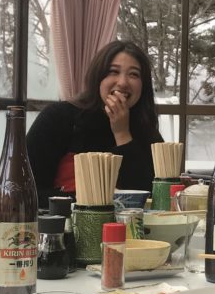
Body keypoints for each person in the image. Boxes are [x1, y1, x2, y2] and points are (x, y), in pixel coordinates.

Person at [26, 40, 162, 206]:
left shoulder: (147, 130)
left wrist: (122, 133)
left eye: (133, 74)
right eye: (113, 71)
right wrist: (90, 201)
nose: (122, 82)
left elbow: (150, 198)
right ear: (97, 78)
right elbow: (27, 191)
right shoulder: (59, 117)